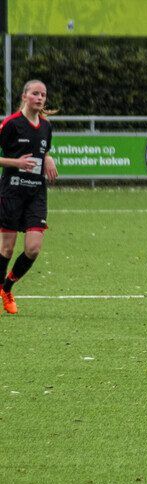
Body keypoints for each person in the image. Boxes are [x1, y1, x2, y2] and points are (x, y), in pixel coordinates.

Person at [0, 79, 59, 315]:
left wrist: (48, 158)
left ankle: (8, 286)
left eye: (43, 94)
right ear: (24, 96)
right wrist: (17, 163)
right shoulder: (12, 124)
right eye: (35, 93)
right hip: (12, 191)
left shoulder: (46, 126)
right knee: (6, 249)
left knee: (33, 248)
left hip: (36, 193)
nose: (40, 98)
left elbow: (44, 150)